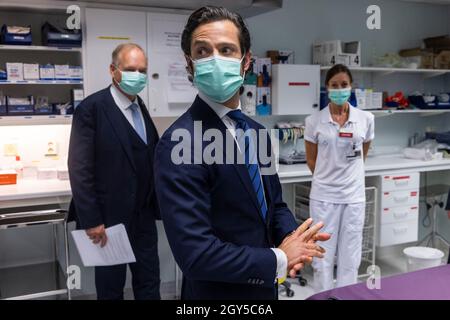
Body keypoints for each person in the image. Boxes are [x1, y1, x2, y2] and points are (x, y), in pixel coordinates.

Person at [154, 6, 330, 300]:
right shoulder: (179, 144)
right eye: (202, 51)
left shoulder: (257, 132)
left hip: (263, 290)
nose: (215, 60)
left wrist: (292, 236)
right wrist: (280, 259)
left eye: (226, 50)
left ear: (246, 61)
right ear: (190, 63)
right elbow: (196, 255)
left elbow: (274, 205)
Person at [68, 43, 161, 300]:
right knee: (110, 289)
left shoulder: (140, 106)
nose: (138, 75)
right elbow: (80, 167)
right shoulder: (92, 109)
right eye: (131, 69)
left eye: (142, 70)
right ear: (113, 70)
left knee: (150, 282)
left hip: (143, 217)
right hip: (108, 223)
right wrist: (91, 219)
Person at [304, 64, 375, 293]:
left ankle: (347, 298)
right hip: (324, 197)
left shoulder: (366, 119)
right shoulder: (314, 121)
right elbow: (312, 161)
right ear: (327, 88)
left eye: (344, 85)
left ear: (351, 86)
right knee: (322, 258)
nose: (339, 89)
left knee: (350, 257)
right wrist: (330, 178)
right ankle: (324, 298)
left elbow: (362, 154)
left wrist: (346, 176)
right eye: (334, 85)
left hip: (354, 197)